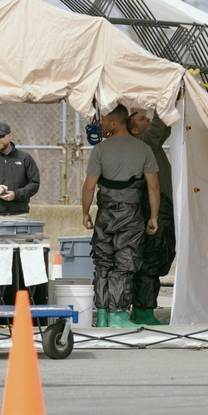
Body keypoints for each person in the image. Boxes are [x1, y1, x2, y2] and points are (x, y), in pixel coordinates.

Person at [82, 104, 160, 328]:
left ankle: (104, 315)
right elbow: (153, 187)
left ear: (115, 123)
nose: (102, 123)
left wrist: (85, 212)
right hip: (131, 215)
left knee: (103, 263)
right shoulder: (143, 149)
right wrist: (153, 217)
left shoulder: (100, 150)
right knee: (125, 264)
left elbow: (89, 187)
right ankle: (118, 316)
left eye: (105, 120)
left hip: (105, 214)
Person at [127, 108, 176, 326]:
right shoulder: (145, 141)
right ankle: (145, 310)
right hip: (158, 207)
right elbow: (160, 124)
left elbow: (162, 126)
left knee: (149, 257)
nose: (147, 120)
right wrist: (164, 97)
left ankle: (139, 309)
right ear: (135, 130)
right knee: (154, 257)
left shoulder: (145, 145)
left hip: (153, 206)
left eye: (147, 117)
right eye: (141, 119)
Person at [0, 121, 41, 222]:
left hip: (20, 215)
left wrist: (16, 195)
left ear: (10, 136)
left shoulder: (24, 158)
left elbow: (34, 183)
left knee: (20, 238)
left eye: (1, 136)